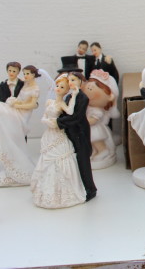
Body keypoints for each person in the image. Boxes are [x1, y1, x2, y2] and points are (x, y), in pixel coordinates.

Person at [31, 74, 86, 209]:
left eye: (62, 87)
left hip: (58, 133)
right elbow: (43, 117)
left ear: (66, 90)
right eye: (57, 86)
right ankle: (45, 190)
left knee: (60, 157)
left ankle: (64, 191)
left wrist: (74, 96)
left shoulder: (62, 104)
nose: (58, 89)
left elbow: (70, 112)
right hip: (49, 134)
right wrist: (47, 122)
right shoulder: (50, 102)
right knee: (46, 158)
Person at [0, 64, 40, 187]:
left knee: (18, 141)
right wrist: (11, 102)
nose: (11, 73)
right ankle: (10, 166)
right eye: (9, 70)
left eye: (14, 71)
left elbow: (34, 103)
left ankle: (20, 167)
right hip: (12, 111)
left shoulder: (24, 84)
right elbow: (0, 99)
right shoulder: (3, 85)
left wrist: (17, 104)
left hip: (21, 113)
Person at [57, 72, 97, 201]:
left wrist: (59, 122)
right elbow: (66, 112)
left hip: (80, 132)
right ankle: (79, 187)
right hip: (71, 131)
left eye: (73, 80)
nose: (70, 83)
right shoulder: (69, 97)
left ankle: (90, 189)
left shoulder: (83, 98)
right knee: (75, 161)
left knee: (83, 161)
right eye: (69, 80)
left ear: (80, 81)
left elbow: (77, 117)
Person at [83, 69, 119, 166]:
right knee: (92, 143)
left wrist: (83, 121)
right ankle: (95, 152)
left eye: (96, 86)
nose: (89, 87)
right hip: (89, 128)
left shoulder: (98, 111)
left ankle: (103, 151)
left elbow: (93, 120)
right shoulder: (88, 107)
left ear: (110, 97)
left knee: (97, 141)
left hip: (95, 129)